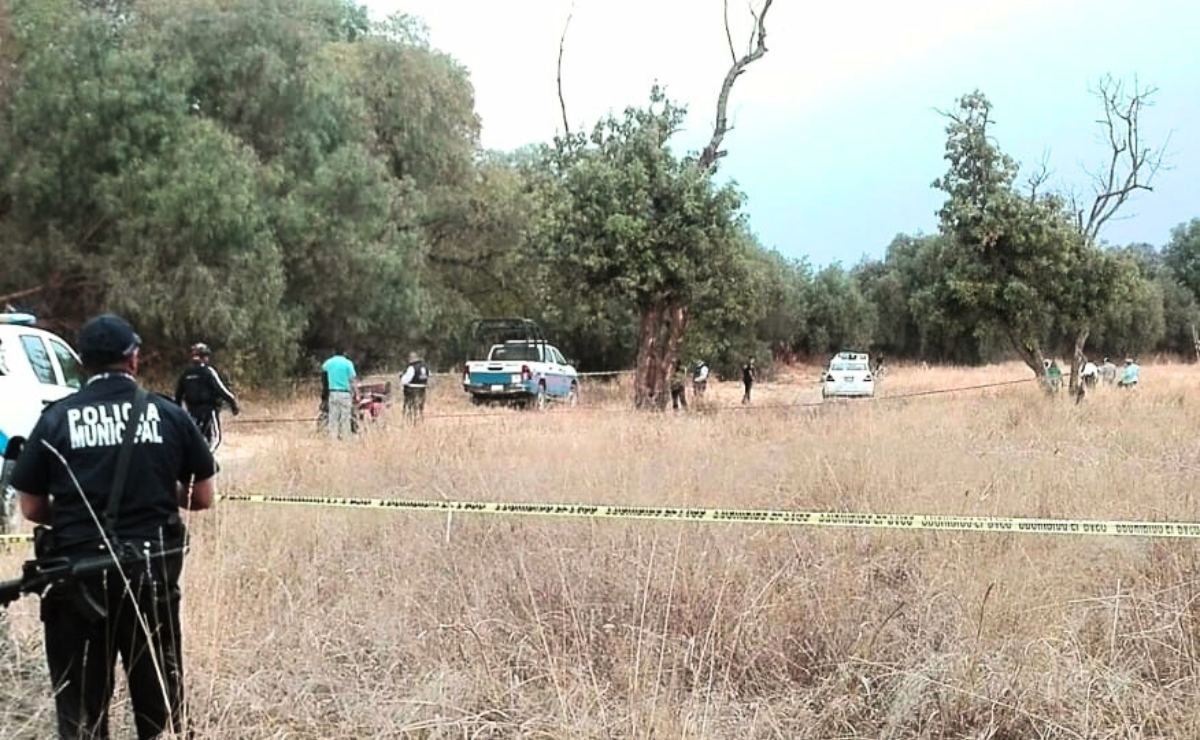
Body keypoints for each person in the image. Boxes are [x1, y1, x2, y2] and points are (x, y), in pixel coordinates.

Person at [11, 313, 216, 739]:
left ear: (83, 362)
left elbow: (30, 507)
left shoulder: (55, 420)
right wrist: (159, 492)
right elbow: (202, 497)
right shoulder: (168, 415)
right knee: (159, 707)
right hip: (150, 580)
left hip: (75, 581)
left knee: (82, 716)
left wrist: (75, 514)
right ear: (134, 359)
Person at [173, 342, 239, 451]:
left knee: (195, 439)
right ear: (204, 357)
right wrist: (233, 404)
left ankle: (198, 460)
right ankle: (207, 460)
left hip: (192, 412)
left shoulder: (186, 373)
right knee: (215, 438)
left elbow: (178, 396)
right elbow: (222, 390)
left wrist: (178, 412)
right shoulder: (208, 372)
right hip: (209, 411)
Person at [321, 349, 358, 440]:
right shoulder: (348, 363)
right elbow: (352, 380)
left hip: (333, 393)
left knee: (333, 418)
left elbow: (323, 370)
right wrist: (357, 393)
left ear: (334, 352)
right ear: (344, 353)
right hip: (345, 393)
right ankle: (346, 439)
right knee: (345, 419)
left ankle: (333, 440)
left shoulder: (328, 362)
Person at [400, 351, 430, 421]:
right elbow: (429, 376)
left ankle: (411, 421)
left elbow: (405, 381)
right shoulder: (425, 367)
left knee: (411, 407)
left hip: (412, 390)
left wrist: (401, 377)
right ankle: (421, 420)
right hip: (422, 389)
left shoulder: (411, 368)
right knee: (420, 407)